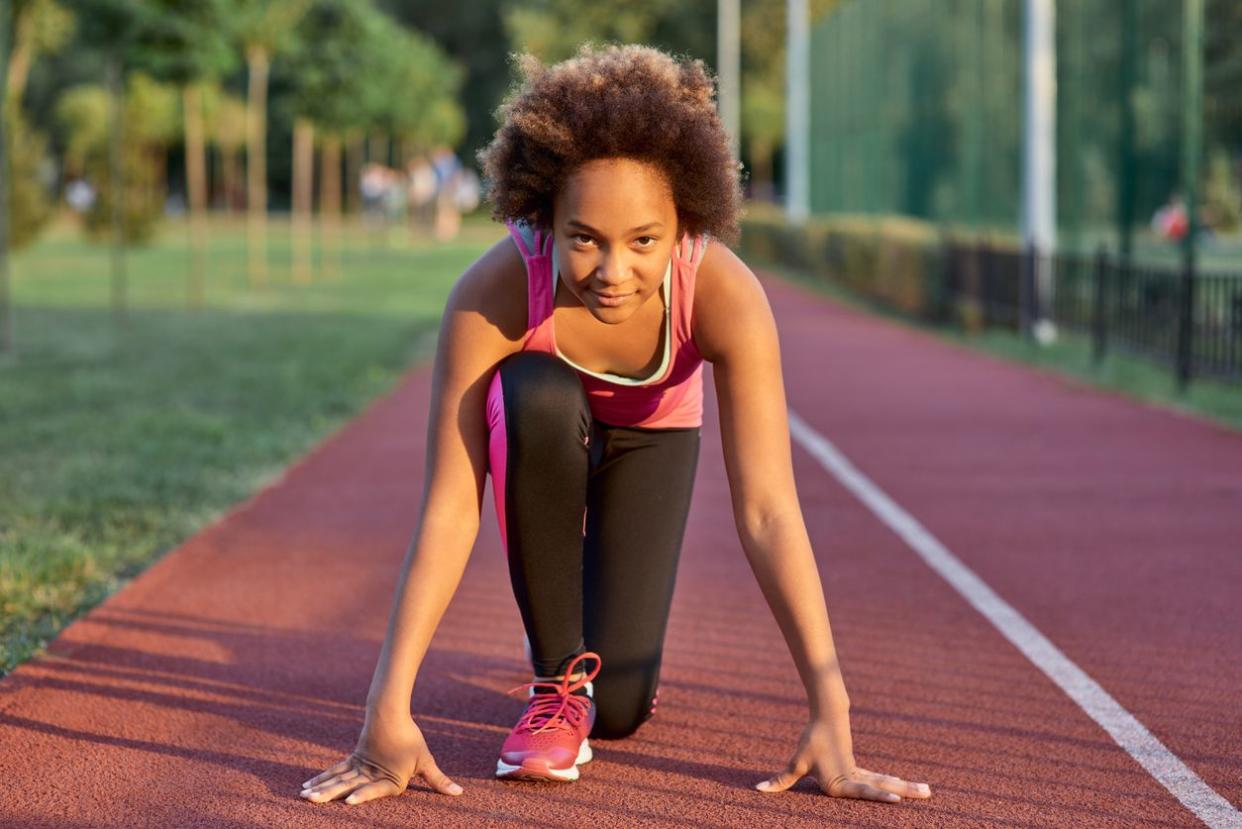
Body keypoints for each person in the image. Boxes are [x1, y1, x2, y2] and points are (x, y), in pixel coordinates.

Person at [299, 43, 932, 806]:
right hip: (540, 433)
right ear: (544, 216)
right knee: (537, 389)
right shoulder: (496, 291)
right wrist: (385, 710)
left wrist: (833, 711)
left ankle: (584, 659)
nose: (613, 271)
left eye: (644, 241)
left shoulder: (724, 295)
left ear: (685, 225)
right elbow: (450, 503)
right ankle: (555, 679)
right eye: (584, 237)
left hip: (653, 438)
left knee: (622, 710)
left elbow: (767, 508)